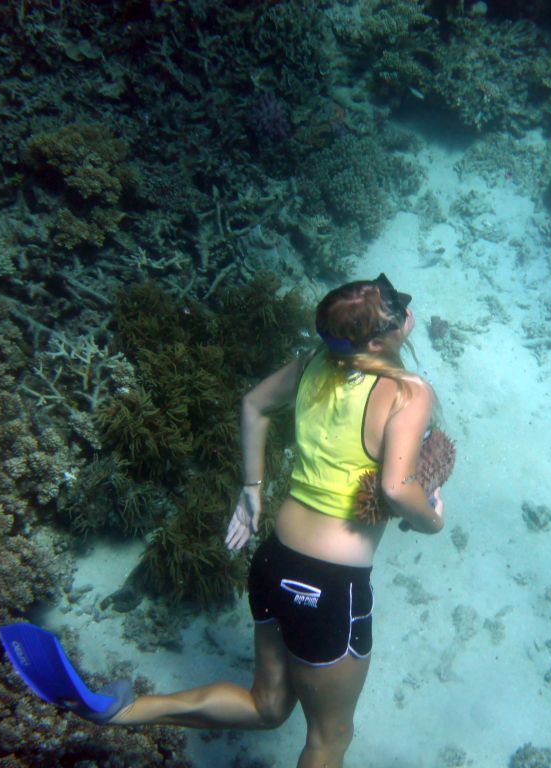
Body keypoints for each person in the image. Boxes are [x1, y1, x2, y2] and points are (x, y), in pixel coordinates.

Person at [106, 273, 445, 767]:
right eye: (398, 313)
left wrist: (251, 491)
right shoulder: (409, 391)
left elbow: (253, 404)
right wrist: (431, 519)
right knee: (330, 739)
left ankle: (126, 709)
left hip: (272, 562)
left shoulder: (312, 365)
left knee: (267, 706)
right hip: (329, 586)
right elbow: (397, 488)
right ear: (378, 340)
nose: (407, 314)